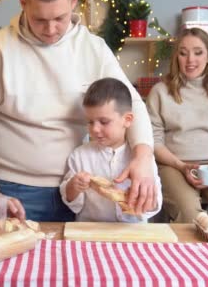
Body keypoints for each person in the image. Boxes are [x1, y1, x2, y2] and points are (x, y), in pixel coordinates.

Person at [0, 0, 157, 222]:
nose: (50, 30)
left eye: (59, 18)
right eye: (40, 19)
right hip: (13, 191)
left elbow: (132, 105)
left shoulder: (93, 49)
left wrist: (143, 157)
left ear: (73, 1)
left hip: (83, 189)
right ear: (23, 2)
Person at [146, 27, 208, 224]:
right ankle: (192, 255)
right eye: (183, 53)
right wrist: (181, 166)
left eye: (198, 52)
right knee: (190, 215)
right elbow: (153, 141)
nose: (190, 60)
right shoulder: (160, 92)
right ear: (177, 57)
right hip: (174, 166)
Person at [60, 78, 162, 222]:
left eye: (104, 122)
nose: (95, 129)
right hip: (90, 233)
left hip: (132, 233)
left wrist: (140, 198)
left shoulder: (143, 160)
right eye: (90, 122)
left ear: (127, 119)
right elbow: (72, 203)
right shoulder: (79, 156)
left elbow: (154, 205)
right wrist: (74, 186)